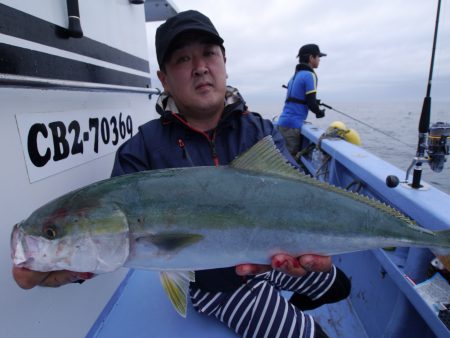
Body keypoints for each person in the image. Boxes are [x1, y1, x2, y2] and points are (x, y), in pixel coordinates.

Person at [12, 11, 350, 338]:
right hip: (218, 287)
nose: (200, 67)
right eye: (183, 60)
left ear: (224, 61)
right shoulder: (141, 151)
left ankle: (283, 297)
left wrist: (310, 242)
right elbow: (108, 246)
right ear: (164, 79)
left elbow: (297, 189)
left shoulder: (259, 129)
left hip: (270, 259)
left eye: (208, 54)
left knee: (339, 286)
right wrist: (59, 269)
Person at [278, 44, 327, 158]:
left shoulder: (294, 76)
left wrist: (313, 101)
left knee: (282, 158)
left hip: (283, 122)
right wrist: (319, 112)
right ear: (311, 58)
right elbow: (311, 103)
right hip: (293, 125)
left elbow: (299, 98)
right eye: (318, 57)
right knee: (289, 162)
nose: (319, 60)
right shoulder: (310, 75)